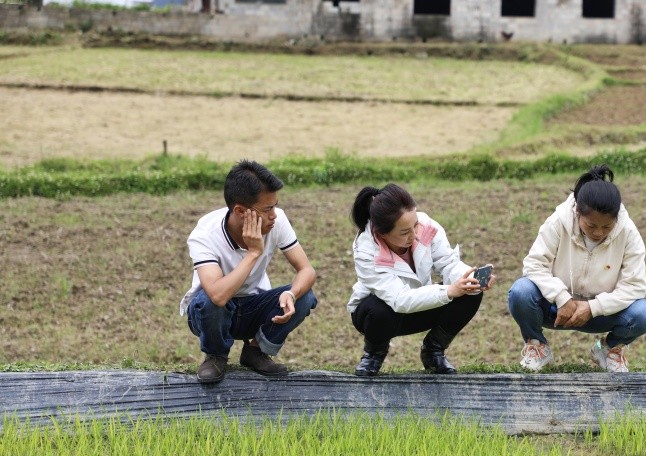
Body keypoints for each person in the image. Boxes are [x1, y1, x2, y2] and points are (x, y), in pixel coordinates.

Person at [180, 160, 318, 383]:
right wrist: (253, 253)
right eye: (267, 209)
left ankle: (255, 350)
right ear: (240, 211)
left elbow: (307, 270)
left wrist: (291, 294)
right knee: (209, 301)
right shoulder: (205, 234)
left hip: (253, 307)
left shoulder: (276, 221)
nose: (274, 215)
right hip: (209, 314)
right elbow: (217, 295)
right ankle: (215, 355)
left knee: (305, 296)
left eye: (274, 206)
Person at [508, 164, 646, 372]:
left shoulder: (628, 233)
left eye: (606, 227)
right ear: (577, 211)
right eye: (591, 225)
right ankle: (537, 346)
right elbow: (533, 265)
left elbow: (635, 287)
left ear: (616, 218)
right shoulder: (558, 222)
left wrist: (593, 307)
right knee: (521, 291)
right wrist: (562, 297)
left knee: (643, 314)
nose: (598, 233)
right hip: (556, 309)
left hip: (601, 313)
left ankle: (610, 349)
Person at [347, 184, 494, 376]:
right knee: (380, 309)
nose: (415, 234)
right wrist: (449, 291)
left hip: (420, 304)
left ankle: (433, 351)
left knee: (470, 292)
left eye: (415, 225)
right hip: (380, 316)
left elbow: (448, 263)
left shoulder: (426, 225)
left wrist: (470, 277)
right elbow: (399, 299)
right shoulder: (366, 250)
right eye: (404, 232)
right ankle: (374, 353)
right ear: (382, 233)